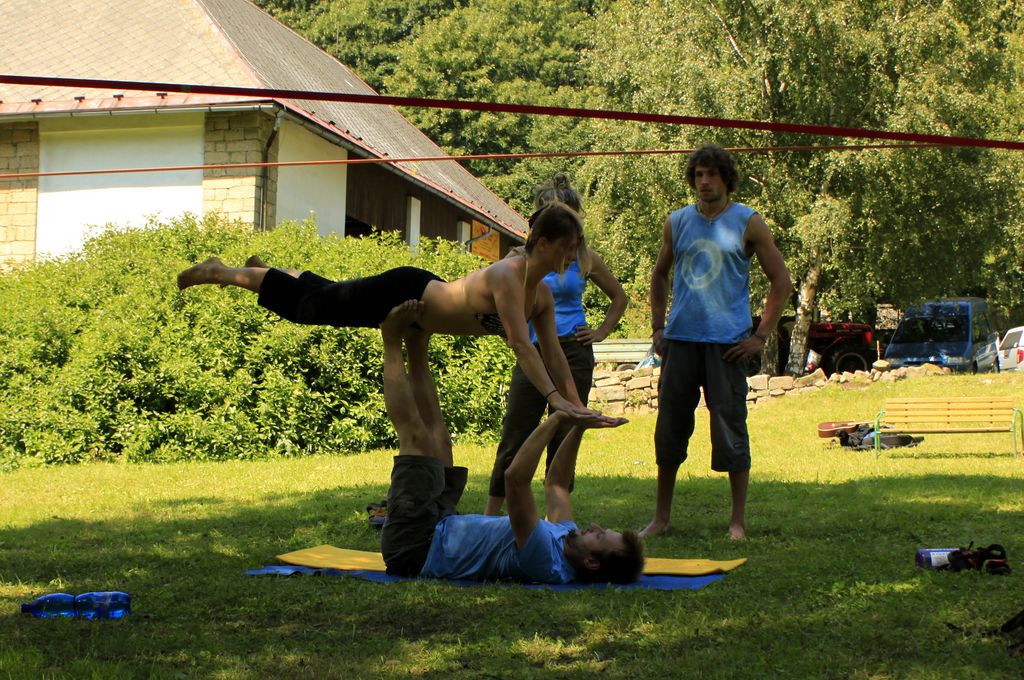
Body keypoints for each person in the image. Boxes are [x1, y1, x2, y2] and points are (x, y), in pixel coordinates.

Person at [176, 203, 596, 420]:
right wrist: (555, 399)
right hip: (406, 292)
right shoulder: (509, 275)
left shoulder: (540, 295)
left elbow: (554, 353)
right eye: (569, 246)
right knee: (311, 307)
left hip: (420, 309)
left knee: (326, 293)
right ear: (543, 244)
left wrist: (577, 404)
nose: (576, 254)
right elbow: (523, 347)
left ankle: (264, 272)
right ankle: (221, 272)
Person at [377, 300, 644, 584]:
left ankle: (391, 339)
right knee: (440, 440)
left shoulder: (546, 559)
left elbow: (515, 480)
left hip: (415, 547)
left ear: (591, 562)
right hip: (442, 523)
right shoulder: (566, 539)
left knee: (416, 439)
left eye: (600, 536)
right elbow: (557, 484)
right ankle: (416, 345)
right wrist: (579, 427)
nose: (594, 526)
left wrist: (556, 419)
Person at [640, 144, 791, 540]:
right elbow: (659, 275)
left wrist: (760, 335)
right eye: (698, 175)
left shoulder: (748, 222)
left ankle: (737, 523)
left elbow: (782, 281)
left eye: (711, 174)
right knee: (669, 429)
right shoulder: (677, 222)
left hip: (727, 344)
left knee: (730, 428)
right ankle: (661, 518)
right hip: (680, 342)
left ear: (726, 178)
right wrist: (658, 328)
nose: (704, 182)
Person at [485, 173, 627, 515]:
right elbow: (497, 300)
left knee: (565, 431)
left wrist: (600, 331)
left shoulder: (586, 258)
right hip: (533, 352)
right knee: (516, 431)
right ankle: (491, 515)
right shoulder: (518, 257)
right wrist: (511, 331)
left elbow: (619, 298)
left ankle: (556, 515)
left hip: (574, 352)